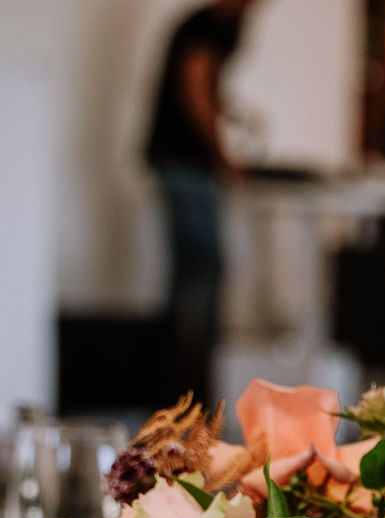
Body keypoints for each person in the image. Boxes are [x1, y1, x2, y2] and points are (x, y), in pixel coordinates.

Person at [145, 0, 256, 402]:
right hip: (183, 162)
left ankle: (185, 383)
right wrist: (222, 154)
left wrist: (232, 113)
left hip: (184, 162)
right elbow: (194, 89)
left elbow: (204, 88)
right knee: (201, 268)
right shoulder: (203, 27)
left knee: (194, 270)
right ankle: (189, 383)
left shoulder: (214, 27)